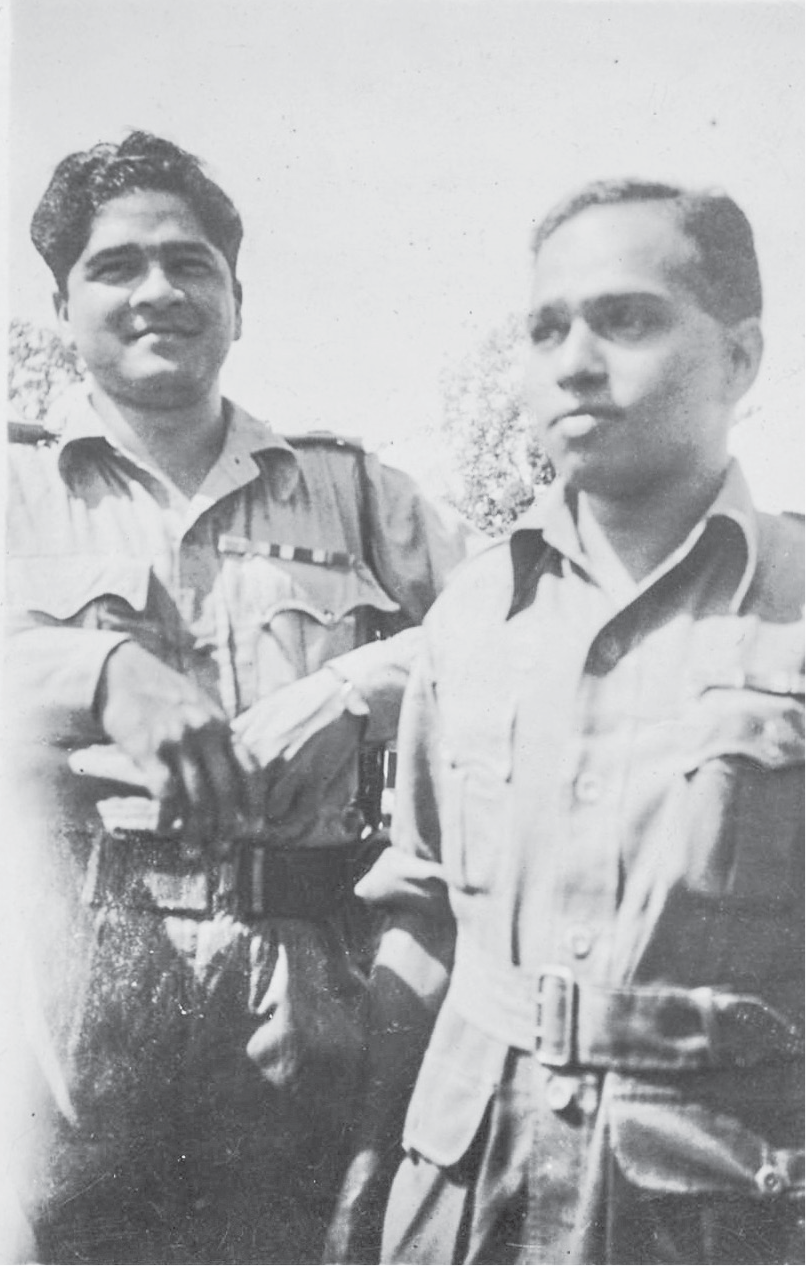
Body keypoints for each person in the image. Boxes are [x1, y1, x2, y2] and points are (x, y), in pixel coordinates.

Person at [3, 130, 477, 1265]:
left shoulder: (358, 493)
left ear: (236, 299)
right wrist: (99, 672)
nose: (159, 289)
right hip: (66, 992)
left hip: (311, 979)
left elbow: (518, 631)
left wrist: (352, 688)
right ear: (62, 308)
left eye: (189, 263)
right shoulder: (15, 493)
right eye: (115, 268)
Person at [325, 179, 805, 1265]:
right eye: (546, 328)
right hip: (462, 1206)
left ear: (739, 358)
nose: (574, 361)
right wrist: (365, 1177)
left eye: (625, 318)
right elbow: (424, 912)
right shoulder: (470, 613)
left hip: (718, 1215)